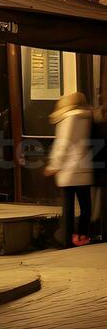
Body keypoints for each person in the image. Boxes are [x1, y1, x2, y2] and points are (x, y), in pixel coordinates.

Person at [46, 91, 94, 247]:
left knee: (68, 207)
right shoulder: (87, 116)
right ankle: (82, 236)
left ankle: (67, 240)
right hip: (84, 166)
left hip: (69, 169)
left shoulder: (68, 118)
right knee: (86, 205)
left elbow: (63, 144)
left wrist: (54, 165)